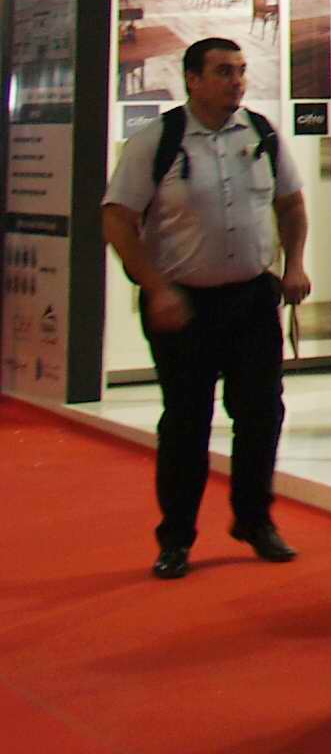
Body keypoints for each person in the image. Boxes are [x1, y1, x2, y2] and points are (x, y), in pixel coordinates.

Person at [99, 37, 310, 579]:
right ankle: (176, 538)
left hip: (251, 299)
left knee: (261, 414)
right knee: (186, 422)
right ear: (192, 80)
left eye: (240, 71)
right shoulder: (158, 140)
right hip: (183, 305)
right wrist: (155, 287)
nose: (236, 81)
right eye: (222, 72)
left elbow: (291, 204)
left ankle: (254, 520)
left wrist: (294, 265)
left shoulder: (261, 133)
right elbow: (117, 218)